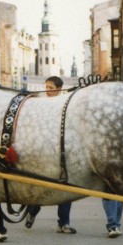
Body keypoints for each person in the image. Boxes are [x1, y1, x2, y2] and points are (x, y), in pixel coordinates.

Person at [24, 76, 76, 234]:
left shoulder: (65, 104)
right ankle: (32, 212)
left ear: (59, 89)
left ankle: (64, 223)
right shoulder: (40, 103)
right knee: (42, 188)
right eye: (46, 87)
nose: (47, 90)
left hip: (61, 152)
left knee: (65, 189)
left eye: (50, 87)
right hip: (43, 152)